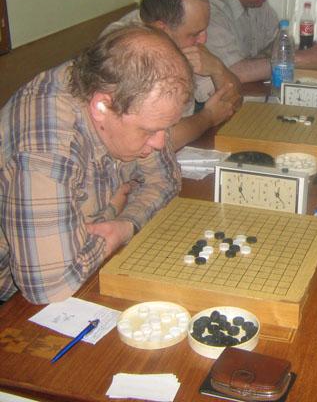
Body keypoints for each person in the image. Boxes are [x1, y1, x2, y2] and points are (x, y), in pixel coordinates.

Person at [0, 25, 193, 304]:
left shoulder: (128, 93)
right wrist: (111, 215)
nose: (161, 143)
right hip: (11, 298)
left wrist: (125, 224)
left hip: (74, 270)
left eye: (167, 128)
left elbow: (166, 179)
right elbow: (49, 285)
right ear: (101, 106)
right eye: (150, 131)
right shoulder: (45, 145)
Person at [105, 0, 242, 150]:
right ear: (161, 28)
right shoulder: (126, 53)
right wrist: (207, 117)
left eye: (203, 30)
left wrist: (217, 68)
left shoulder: (180, 42)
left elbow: (233, 101)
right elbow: (158, 142)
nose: (204, 39)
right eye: (194, 34)